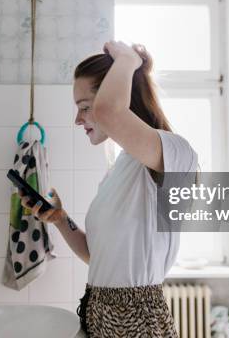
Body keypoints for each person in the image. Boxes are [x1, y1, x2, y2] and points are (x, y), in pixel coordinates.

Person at [19, 40, 198, 337]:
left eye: (85, 108)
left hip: (138, 321)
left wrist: (128, 60)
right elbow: (97, 255)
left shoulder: (174, 152)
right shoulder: (119, 170)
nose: (78, 119)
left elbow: (109, 113)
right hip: (99, 311)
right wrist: (61, 220)